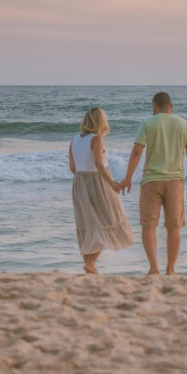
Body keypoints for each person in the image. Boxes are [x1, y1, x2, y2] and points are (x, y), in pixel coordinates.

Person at [119, 92, 187, 275]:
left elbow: (136, 152)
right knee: (174, 227)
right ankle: (170, 269)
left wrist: (128, 177)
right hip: (175, 182)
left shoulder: (148, 123)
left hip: (151, 181)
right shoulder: (185, 125)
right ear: (171, 105)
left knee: (149, 226)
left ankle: (154, 267)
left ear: (154, 106)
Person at [69, 107, 134, 274]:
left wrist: (83, 177)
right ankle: (91, 264)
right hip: (97, 182)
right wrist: (111, 183)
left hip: (79, 182)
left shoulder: (74, 140)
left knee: (86, 222)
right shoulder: (96, 139)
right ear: (100, 122)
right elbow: (99, 165)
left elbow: (73, 167)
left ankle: (89, 265)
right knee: (106, 219)